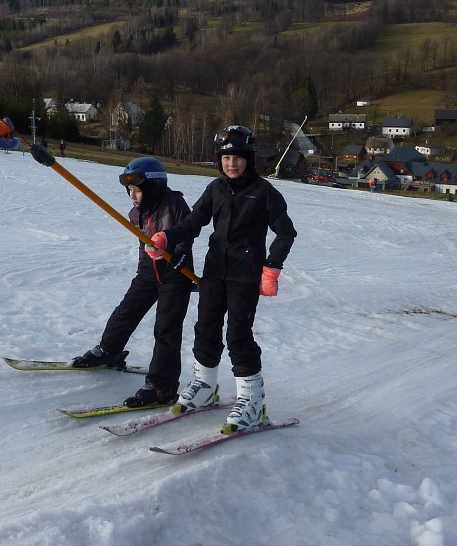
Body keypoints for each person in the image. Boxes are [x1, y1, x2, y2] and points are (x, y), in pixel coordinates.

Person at [145, 125, 297, 433]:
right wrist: (165, 237)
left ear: (249, 159)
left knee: (238, 336)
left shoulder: (264, 192)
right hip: (214, 272)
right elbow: (193, 222)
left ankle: (253, 404)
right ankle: (204, 387)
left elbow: (285, 232)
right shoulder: (215, 188)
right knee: (206, 329)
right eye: (226, 158)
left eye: (239, 158)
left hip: (245, 275)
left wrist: (271, 267)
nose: (232, 164)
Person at [71, 157, 195, 407]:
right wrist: (143, 271)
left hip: (175, 276)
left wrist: (180, 251)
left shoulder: (174, 203)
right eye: (129, 190)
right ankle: (109, 351)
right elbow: (143, 247)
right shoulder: (134, 214)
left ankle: (162, 386)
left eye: (137, 190)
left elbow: (189, 229)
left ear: (153, 187)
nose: (132, 196)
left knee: (166, 330)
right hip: (148, 274)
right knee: (125, 312)